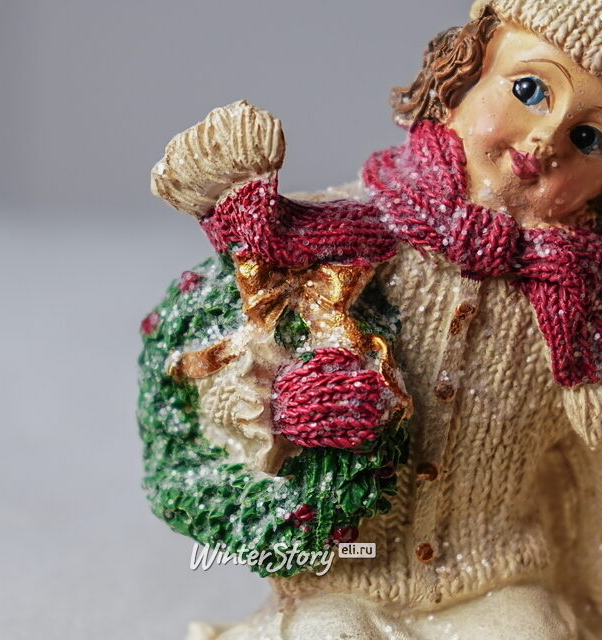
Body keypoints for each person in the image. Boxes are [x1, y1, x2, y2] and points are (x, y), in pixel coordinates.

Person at [146, 1, 602, 637]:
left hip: (493, 576)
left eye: (589, 138)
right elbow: (210, 372)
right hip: (342, 573)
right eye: (530, 91)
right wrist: (280, 408)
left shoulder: (575, 305)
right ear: (461, 77)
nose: (546, 139)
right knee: (333, 632)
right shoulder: (340, 240)